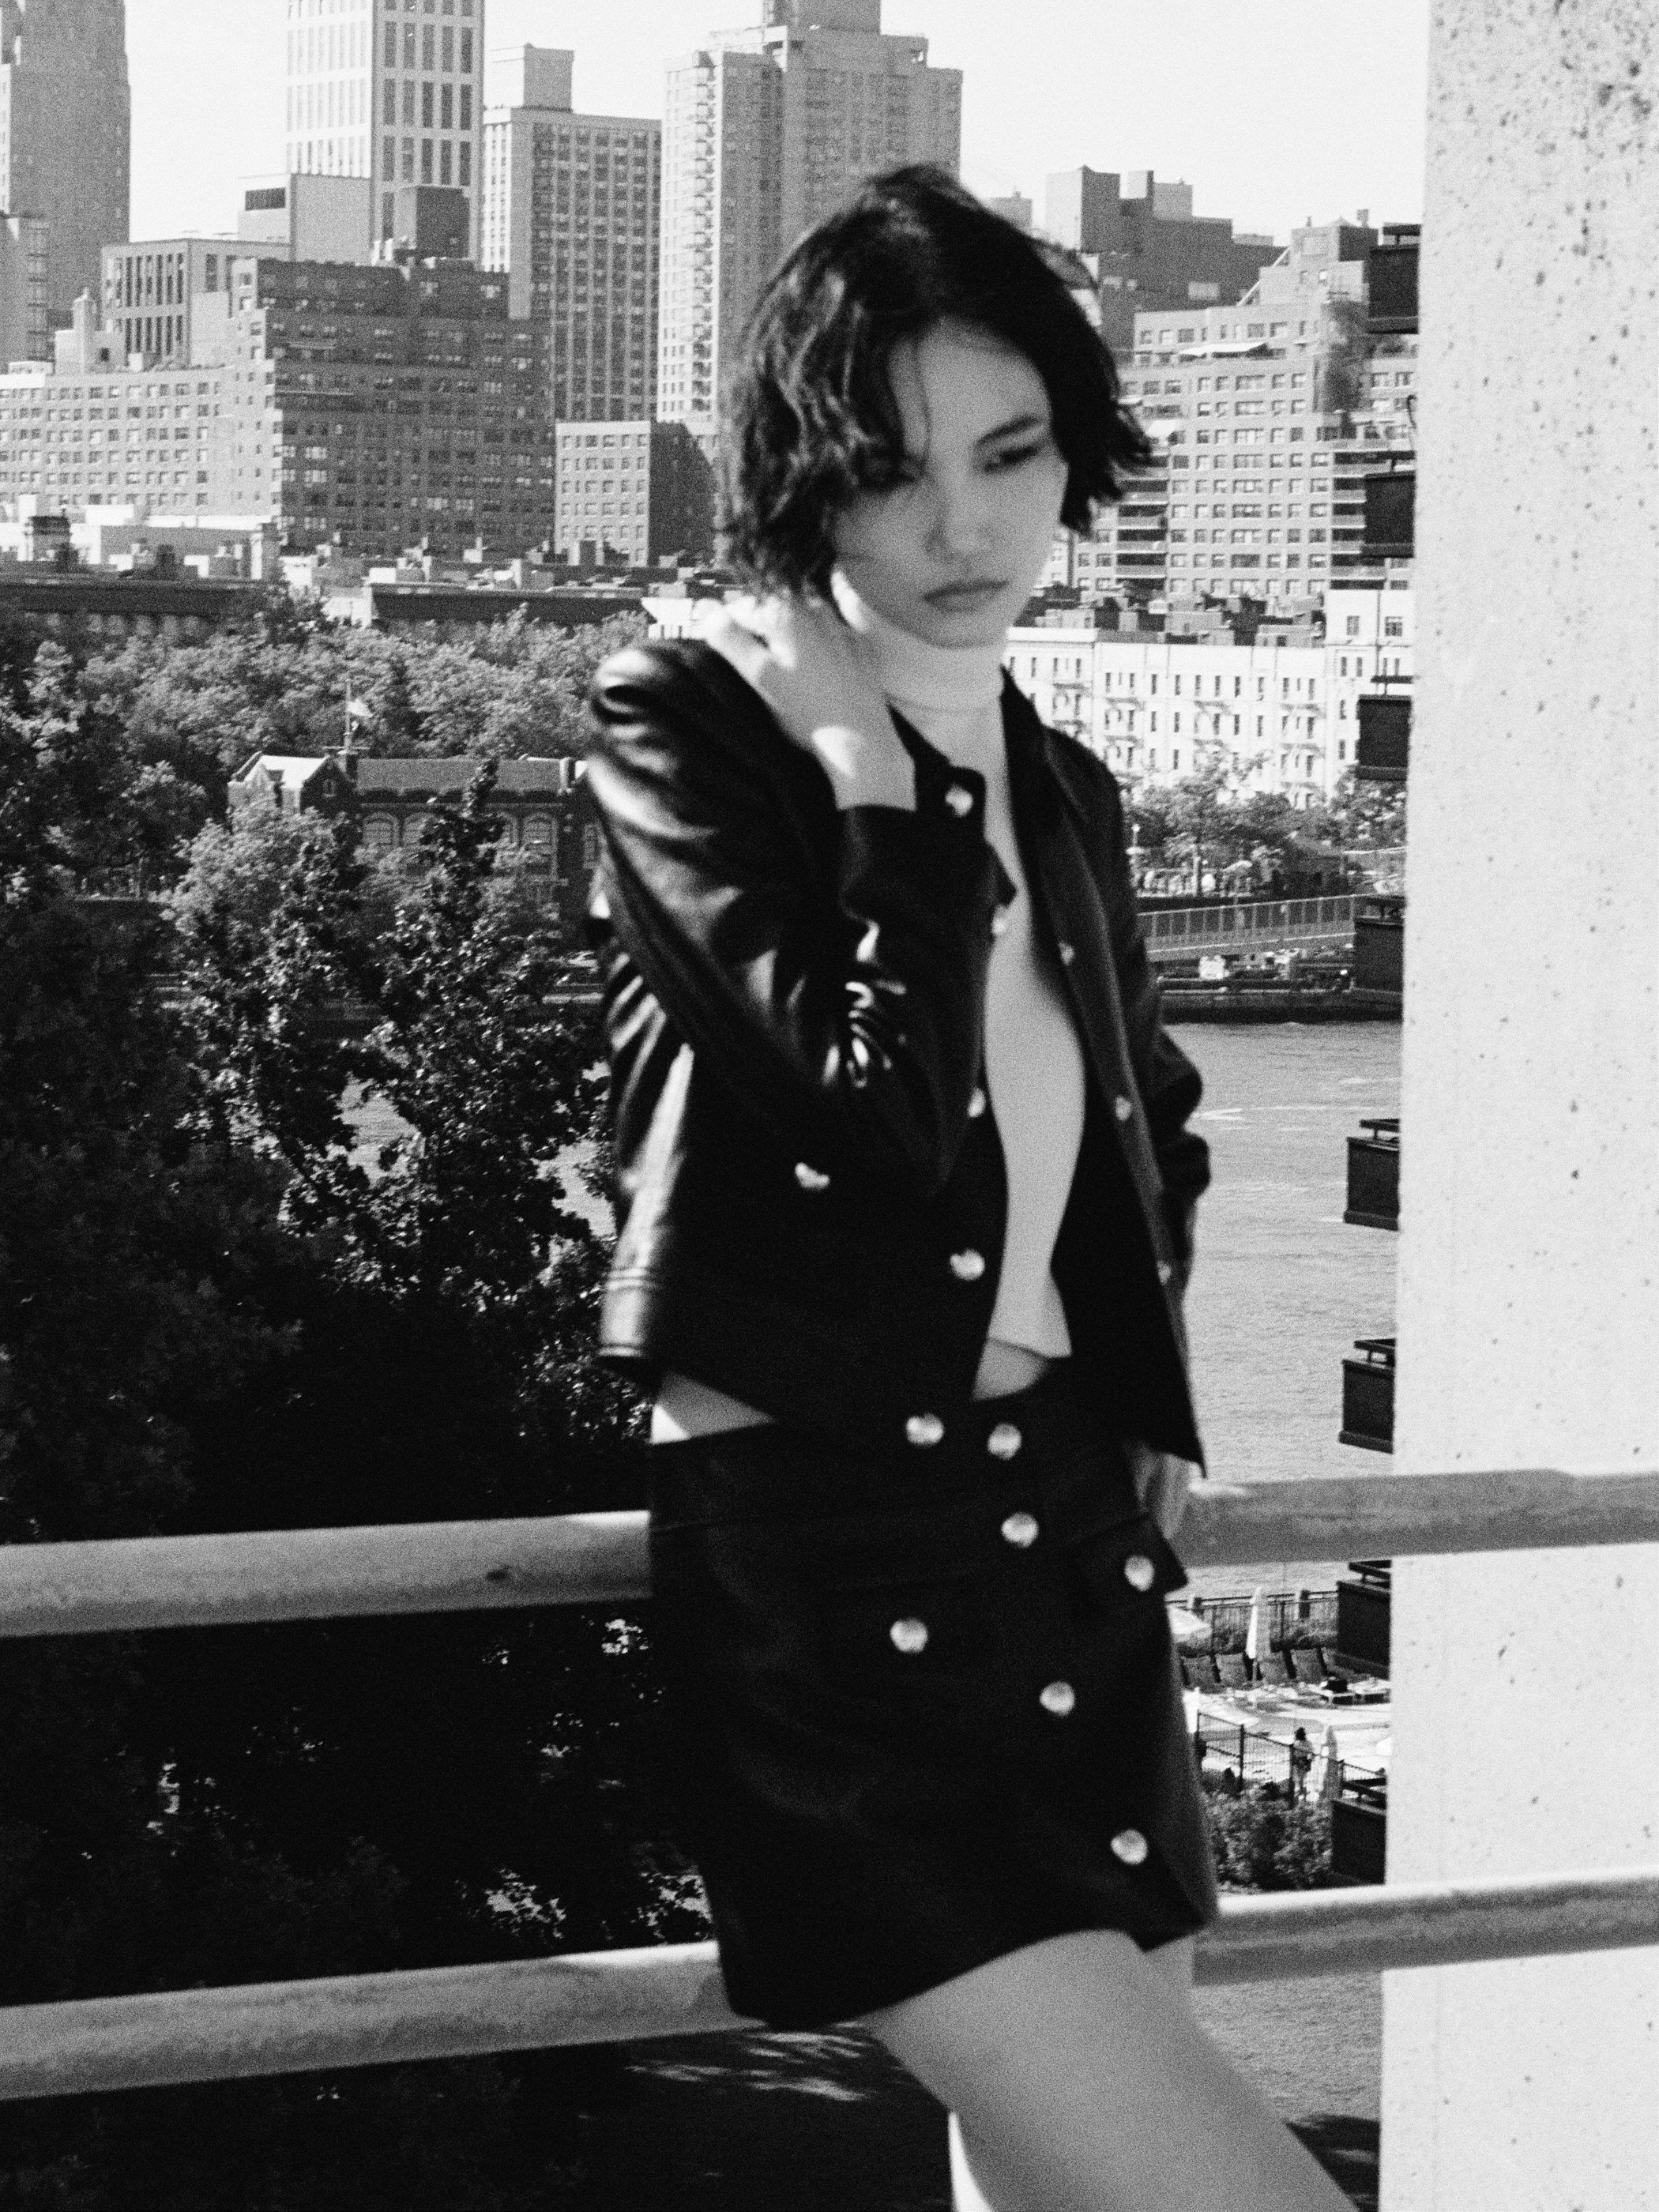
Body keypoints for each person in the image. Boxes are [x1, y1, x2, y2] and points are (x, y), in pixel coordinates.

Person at [583, 166, 1349, 2212]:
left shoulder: (1064, 782)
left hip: (1070, 1556)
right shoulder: (689, 733)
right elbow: (871, 1116)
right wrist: (876, 788)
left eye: (1010, 454)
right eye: (891, 469)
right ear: (800, 485)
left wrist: (1146, 1391)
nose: (963, 527)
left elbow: (1143, 1119)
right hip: (835, 1589)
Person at [1289, 1725, 1315, 1802]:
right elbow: (1311, 1753)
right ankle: (1303, 1796)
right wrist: (1309, 1763)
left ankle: (1297, 1796)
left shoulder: (1296, 1743)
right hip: (1306, 1762)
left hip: (1298, 1762)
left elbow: (1294, 1754)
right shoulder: (1309, 1743)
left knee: (1297, 1780)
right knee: (1303, 1780)